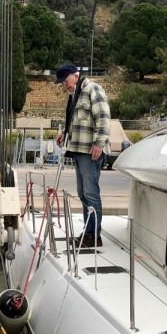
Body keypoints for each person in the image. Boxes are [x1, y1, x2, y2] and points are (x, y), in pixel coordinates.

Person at [54, 63, 110, 247]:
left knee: (90, 193)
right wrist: (64, 133)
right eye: (62, 83)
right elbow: (75, 121)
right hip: (78, 150)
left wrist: (99, 144)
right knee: (83, 193)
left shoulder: (93, 89)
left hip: (89, 151)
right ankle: (88, 232)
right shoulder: (74, 95)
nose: (64, 85)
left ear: (75, 75)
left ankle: (94, 236)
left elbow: (103, 118)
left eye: (65, 81)